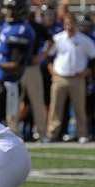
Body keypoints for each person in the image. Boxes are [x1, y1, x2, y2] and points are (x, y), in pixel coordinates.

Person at [0, 0, 35, 134]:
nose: (9, 12)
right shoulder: (7, 25)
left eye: (12, 8)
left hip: (9, 84)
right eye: (8, 8)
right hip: (0, 80)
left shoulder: (22, 31)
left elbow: (14, 67)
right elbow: (1, 52)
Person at [44, 12, 95, 144]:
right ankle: (52, 133)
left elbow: (93, 57)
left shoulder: (84, 40)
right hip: (59, 77)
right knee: (55, 107)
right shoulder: (58, 38)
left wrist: (87, 71)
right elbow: (49, 55)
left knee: (79, 108)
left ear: (76, 24)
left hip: (77, 78)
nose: (69, 26)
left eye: (71, 23)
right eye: (66, 23)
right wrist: (51, 70)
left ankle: (82, 133)